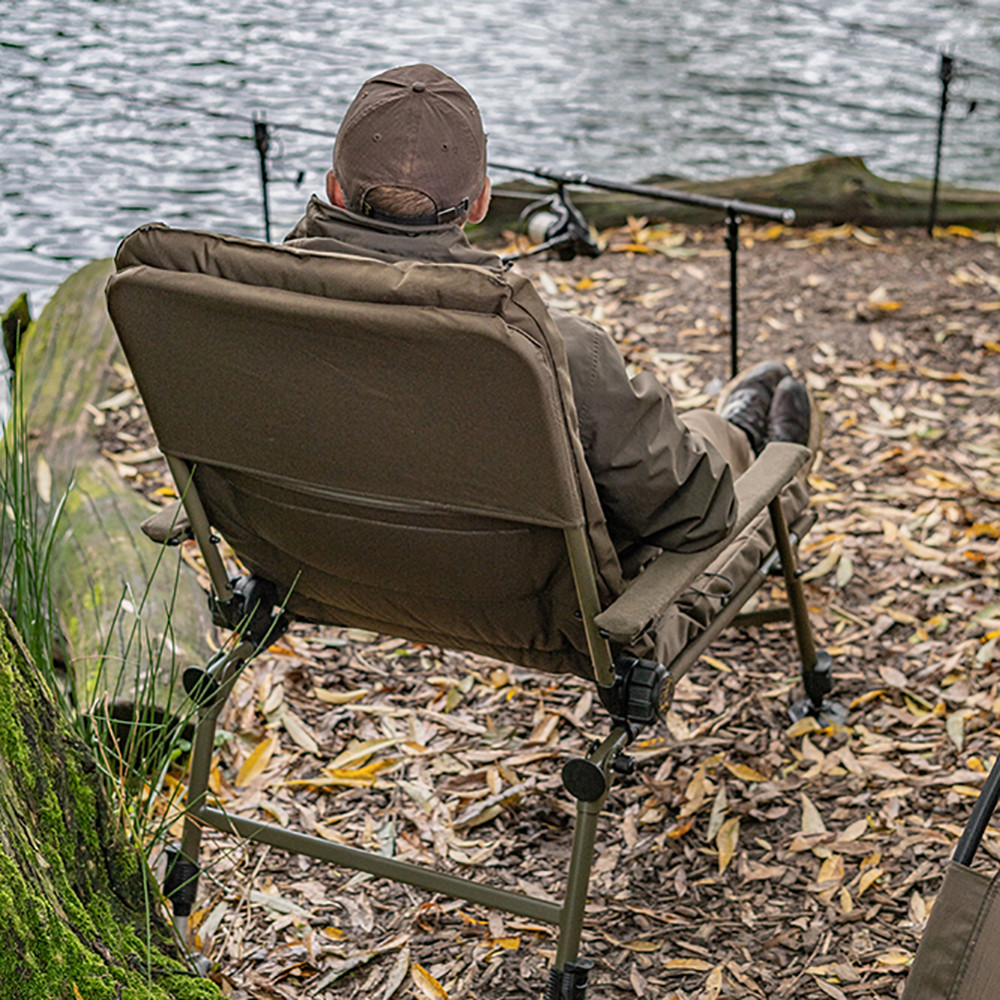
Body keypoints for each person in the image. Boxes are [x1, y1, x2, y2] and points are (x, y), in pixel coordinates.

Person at [284, 63, 814, 580]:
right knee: (704, 446)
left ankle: (730, 431)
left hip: (321, 559)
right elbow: (697, 516)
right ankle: (748, 446)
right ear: (481, 203)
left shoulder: (241, 300)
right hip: (512, 597)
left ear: (335, 189)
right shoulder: (549, 348)